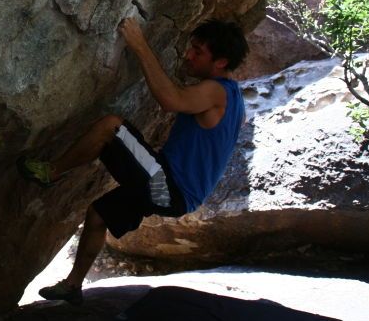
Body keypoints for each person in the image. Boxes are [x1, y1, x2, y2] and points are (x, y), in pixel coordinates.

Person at [17, 17, 249, 305]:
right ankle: (73, 285)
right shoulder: (235, 98)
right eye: (192, 47)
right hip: (175, 193)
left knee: (110, 127)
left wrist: (139, 44)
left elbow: (172, 99)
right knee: (99, 214)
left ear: (221, 62)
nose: (189, 55)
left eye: (198, 51)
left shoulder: (216, 91)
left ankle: (51, 173)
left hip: (169, 186)